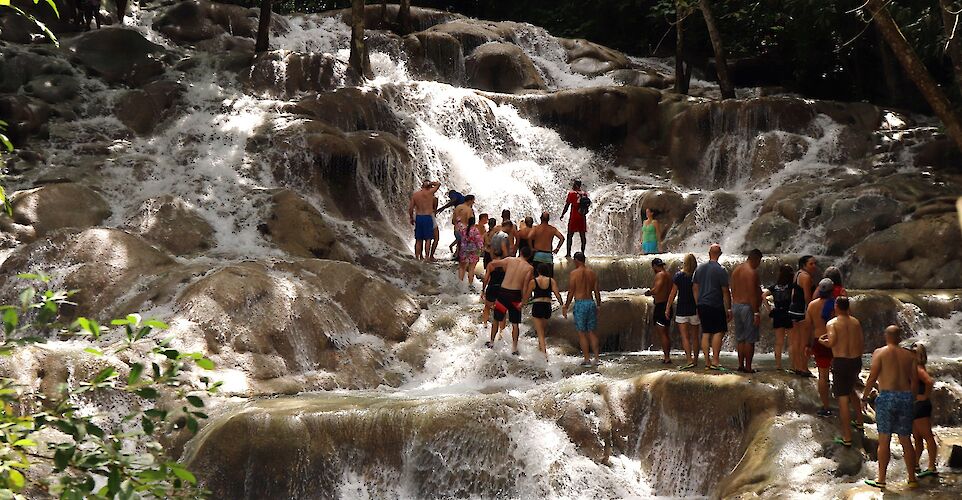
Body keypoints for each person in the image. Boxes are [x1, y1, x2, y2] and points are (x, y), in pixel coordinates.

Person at [863, 325, 918, 490]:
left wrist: (864, 396)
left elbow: (872, 376)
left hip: (887, 397)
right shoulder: (909, 355)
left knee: (884, 439)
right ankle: (912, 478)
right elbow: (914, 380)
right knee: (906, 439)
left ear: (886, 336)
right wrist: (912, 398)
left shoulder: (880, 352)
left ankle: (881, 479)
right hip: (905, 396)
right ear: (900, 337)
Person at [818, 297, 865, 447]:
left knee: (843, 398)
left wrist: (821, 341)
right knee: (851, 389)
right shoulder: (856, 322)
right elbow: (861, 341)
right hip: (856, 361)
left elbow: (831, 342)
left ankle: (847, 437)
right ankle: (859, 421)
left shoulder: (832, 323)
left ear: (836, 307)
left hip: (841, 361)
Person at [486, 247, 534, 355]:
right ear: (529, 256)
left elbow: (493, 264)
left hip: (503, 293)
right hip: (515, 295)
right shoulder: (529, 268)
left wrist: (505, 269)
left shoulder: (510, 260)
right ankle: (514, 348)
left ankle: (492, 342)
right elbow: (525, 286)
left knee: (496, 319)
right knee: (515, 323)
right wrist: (524, 300)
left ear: (520, 252)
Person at [693, 244, 732, 371]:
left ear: (709, 253)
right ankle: (715, 360)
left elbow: (695, 287)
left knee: (706, 332)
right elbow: (725, 291)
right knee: (718, 331)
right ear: (719, 254)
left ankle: (707, 362)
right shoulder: (721, 270)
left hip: (702, 304)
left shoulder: (699, 268)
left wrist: (697, 303)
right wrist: (729, 308)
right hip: (716, 304)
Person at [564, 252, 601, 367]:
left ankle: (586, 359)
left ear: (576, 260)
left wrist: (566, 306)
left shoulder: (574, 273)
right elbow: (596, 291)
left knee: (581, 333)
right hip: (590, 303)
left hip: (580, 304)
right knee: (592, 332)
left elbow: (571, 291)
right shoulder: (592, 273)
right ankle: (596, 358)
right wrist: (598, 304)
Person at [523, 263, 564, 361]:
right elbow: (557, 293)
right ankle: (540, 349)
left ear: (538, 271)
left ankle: (544, 355)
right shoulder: (551, 281)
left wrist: (523, 304)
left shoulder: (533, 281)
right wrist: (562, 304)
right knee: (543, 330)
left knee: (540, 332)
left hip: (537, 305)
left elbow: (527, 295)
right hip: (547, 306)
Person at [807, 278, 836, 417]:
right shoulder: (836, 305)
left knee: (822, 375)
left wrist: (808, 344)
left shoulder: (812, 306)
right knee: (838, 372)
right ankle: (843, 400)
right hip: (835, 341)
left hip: (818, 341)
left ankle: (826, 406)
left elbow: (809, 326)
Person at [731, 249, 763, 373]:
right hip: (748, 307)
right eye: (758, 261)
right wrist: (756, 312)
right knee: (750, 339)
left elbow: (732, 289)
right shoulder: (751, 272)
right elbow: (752, 294)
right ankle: (748, 367)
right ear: (755, 259)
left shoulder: (736, 270)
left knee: (740, 338)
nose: (758, 264)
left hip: (736, 306)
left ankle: (740, 365)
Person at [667, 253, 700, 369]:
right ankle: (695, 359)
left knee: (685, 336)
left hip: (682, 309)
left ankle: (689, 360)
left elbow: (673, 293)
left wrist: (668, 307)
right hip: (695, 309)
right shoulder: (698, 276)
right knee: (695, 336)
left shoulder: (679, 276)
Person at [789, 255, 818, 377]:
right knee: (804, 341)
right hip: (802, 310)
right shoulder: (806, 277)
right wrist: (811, 311)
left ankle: (796, 366)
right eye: (811, 264)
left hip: (793, 309)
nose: (814, 266)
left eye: (814, 263)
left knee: (795, 340)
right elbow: (807, 297)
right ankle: (804, 368)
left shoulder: (797, 274)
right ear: (804, 265)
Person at [912, 344, 938, 479]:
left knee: (927, 436)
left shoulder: (918, 369)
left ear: (920, 355)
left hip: (921, 406)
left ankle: (932, 466)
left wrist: (924, 396)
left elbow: (929, 381)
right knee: (917, 438)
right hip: (916, 406)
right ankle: (915, 464)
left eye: (915, 353)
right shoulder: (915, 367)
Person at [764, 264, 794, 371]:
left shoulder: (775, 286)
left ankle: (778, 365)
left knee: (779, 341)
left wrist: (769, 308)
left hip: (777, 313)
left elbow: (763, 295)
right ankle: (792, 365)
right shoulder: (791, 286)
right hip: (788, 313)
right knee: (791, 341)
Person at [408, 180, 441, 260]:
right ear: (428, 186)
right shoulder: (430, 193)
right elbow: (438, 184)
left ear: (421, 186)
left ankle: (417, 257)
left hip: (419, 217)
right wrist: (431, 183)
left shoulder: (415, 195)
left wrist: (411, 218)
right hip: (428, 217)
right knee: (428, 239)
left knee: (418, 239)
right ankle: (426, 257)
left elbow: (411, 208)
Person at [648, 258, 672, 364]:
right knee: (665, 332)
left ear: (654, 266)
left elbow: (657, 290)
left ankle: (667, 357)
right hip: (668, 305)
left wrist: (649, 292)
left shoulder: (660, 275)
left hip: (661, 306)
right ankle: (667, 356)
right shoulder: (669, 275)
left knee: (662, 333)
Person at [529, 212, 565, 278]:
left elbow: (529, 237)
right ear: (548, 219)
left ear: (540, 218)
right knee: (549, 279)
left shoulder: (536, 228)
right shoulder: (552, 229)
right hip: (548, 255)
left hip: (538, 255)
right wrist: (557, 248)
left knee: (536, 278)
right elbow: (562, 238)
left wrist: (531, 248)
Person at [480, 247, 506, 328]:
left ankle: (485, 324)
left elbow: (486, 278)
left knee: (487, 307)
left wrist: (483, 289)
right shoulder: (506, 264)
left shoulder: (491, 264)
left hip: (492, 287)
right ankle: (501, 330)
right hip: (502, 288)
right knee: (502, 309)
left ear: (493, 255)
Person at [561, 180, 588, 258]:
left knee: (570, 235)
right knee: (582, 235)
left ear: (576, 185)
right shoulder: (585, 194)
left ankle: (568, 253)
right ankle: (583, 253)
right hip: (582, 217)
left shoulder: (571, 193)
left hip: (574, 217)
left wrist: (562, 214)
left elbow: (567, 205)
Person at [458, 216, 483, 285]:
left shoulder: (464, 229)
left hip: (464, 251)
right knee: (471, 269)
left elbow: (459, 226)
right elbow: (479, 242)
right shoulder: (475, 230)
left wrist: (459, 220)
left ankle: (460, 283)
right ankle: (470, 284)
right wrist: (481, 249)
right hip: (474, 251)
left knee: (462, 267)